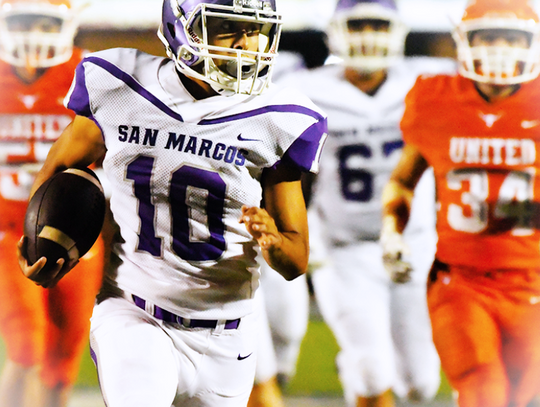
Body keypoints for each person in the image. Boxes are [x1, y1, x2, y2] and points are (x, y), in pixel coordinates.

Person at [17, 0, 328, 406]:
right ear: (182, 29)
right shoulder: (120, 86)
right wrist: (38, 236)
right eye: (227, 27)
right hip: (134, 311)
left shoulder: (279, 119)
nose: (247, 44)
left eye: (255, 30)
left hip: (226, 334)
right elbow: (60, 167)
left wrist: (274, 241)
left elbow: (296, 259)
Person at [278, 0, 456, 406]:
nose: (368, 35)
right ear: (336, 31)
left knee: (421, 384)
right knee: (373, 369)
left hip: (417, 243)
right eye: (358, 25)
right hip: (345, 249)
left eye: (378, 25)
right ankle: (360, 376)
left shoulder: (429, 81)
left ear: (397, 31)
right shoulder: (308, 89)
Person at [381, 0, 540, 406]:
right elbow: (402, 181)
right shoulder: (436, 97)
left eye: (511, 37)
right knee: (482, 392)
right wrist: (390, 231)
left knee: (523, 398)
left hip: (533, 278)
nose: (499, 48)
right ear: (464, 41)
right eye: (488, 36)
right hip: (461, 280)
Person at [0, 1, 105, 407]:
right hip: (7, 233)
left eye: (45, 21)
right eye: (25, 21)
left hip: (79, 238)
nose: (35, 32)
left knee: (62, 364)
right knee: (26, 350)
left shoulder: (92, 78)